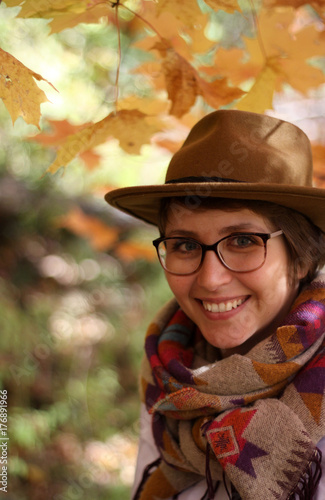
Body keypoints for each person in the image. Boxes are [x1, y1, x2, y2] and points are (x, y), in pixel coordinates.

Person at [105, 110, 325, 499]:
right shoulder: (168, 378)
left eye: (242, 241)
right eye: (186, 245)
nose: (210, 278)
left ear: (302, 256)